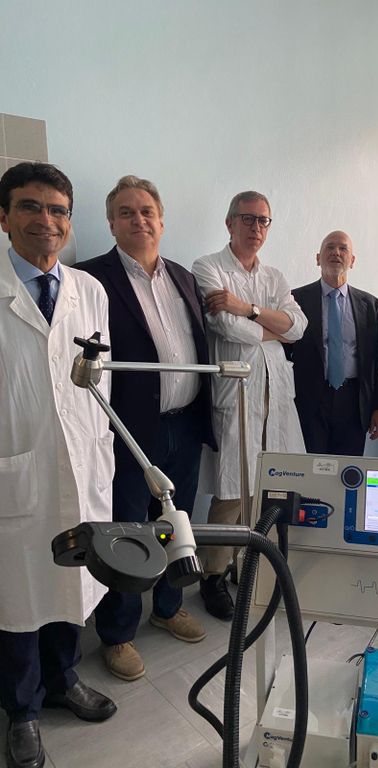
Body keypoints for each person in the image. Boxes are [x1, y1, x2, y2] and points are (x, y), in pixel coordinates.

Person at [76, 176, 216, 682]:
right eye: (126, 212)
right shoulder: (89, 279)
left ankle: (169, 607)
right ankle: (118, 633)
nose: (139, 220)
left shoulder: (183, 277)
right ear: (111, 223)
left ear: (162, 219)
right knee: (129, 531)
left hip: (186, 424)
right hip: (129, 431)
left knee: (177, 523)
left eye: (147, 211)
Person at [0, 162, 117, 768]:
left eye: (57, 210)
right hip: (15, 469)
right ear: (3, 217)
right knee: (18, 594)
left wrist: (101, 447)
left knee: (72, 578)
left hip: (83, 461)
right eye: (29, 206)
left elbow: (102, 381)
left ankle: (63, 680)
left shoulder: (89, 290)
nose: (45, 220)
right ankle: (21, 710)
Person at [192, 191, 307, 620]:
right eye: (248, 219)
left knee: (266, 484)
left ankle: (247, 565)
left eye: (263, 221)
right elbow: (226, 326)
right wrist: (273, 325)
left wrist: (247, 308)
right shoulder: (208, 267)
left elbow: (299, 327)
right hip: (236, 391)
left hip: (274, 392)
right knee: (231, 489)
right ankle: (213, 574)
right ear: (230, 223)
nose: (256, 228)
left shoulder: (274, 276)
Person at [287, 230, 378, 455]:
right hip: (309, 398)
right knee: (310, 466)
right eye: (330, 247)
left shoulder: (369, 304)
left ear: (352, 260)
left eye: (343, 248)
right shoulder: (295, 299)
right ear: (318, 258)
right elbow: (284, 351)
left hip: (354, 401)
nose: (336, 252)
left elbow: (377, 359)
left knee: (347, 468)